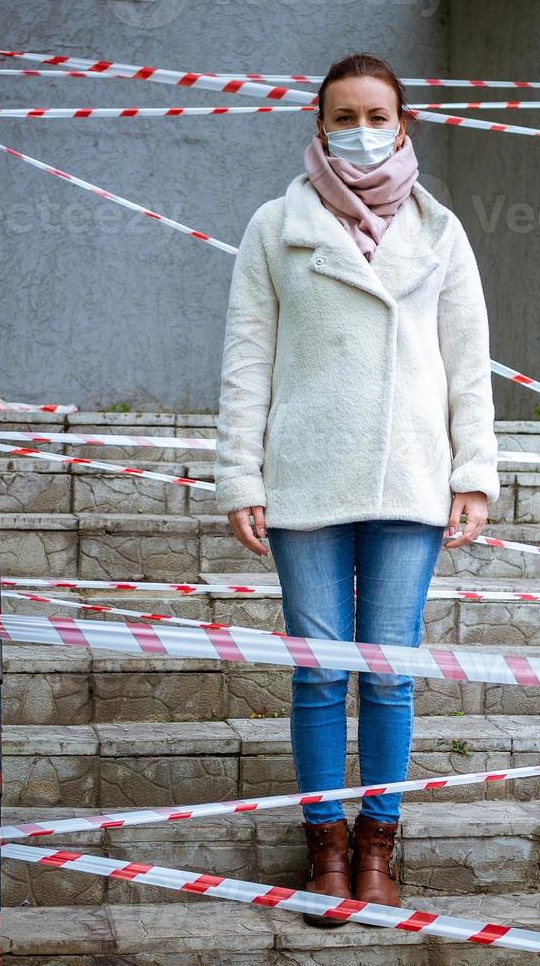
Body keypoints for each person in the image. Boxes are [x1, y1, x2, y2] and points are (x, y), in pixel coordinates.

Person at [214, 52, 499, 925]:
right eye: (346, 116)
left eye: (379, 116)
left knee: (388, 676)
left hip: (411, 483)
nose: (363, 132)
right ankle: (325, 848)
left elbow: (467, 363)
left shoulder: (442, 231)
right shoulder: (275, 226)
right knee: (315, 676)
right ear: (320, 124)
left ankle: (379, 842)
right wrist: (239, 472)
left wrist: (474, 474)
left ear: (404, 126)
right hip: (306, 484)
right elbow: (245, 359)